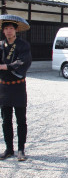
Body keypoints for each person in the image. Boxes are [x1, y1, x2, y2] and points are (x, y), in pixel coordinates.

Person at [0, 15, 32, 161]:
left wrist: (6, 66)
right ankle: (8, 149)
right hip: (4, 88)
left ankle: (21, 149)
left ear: (16, 30)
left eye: (11, 28)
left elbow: (23, 62)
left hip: (18, 87)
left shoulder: (23, 45)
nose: (8, 31)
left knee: (21, 119)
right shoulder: (1, 45)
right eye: (5, 28)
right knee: (6, 119)